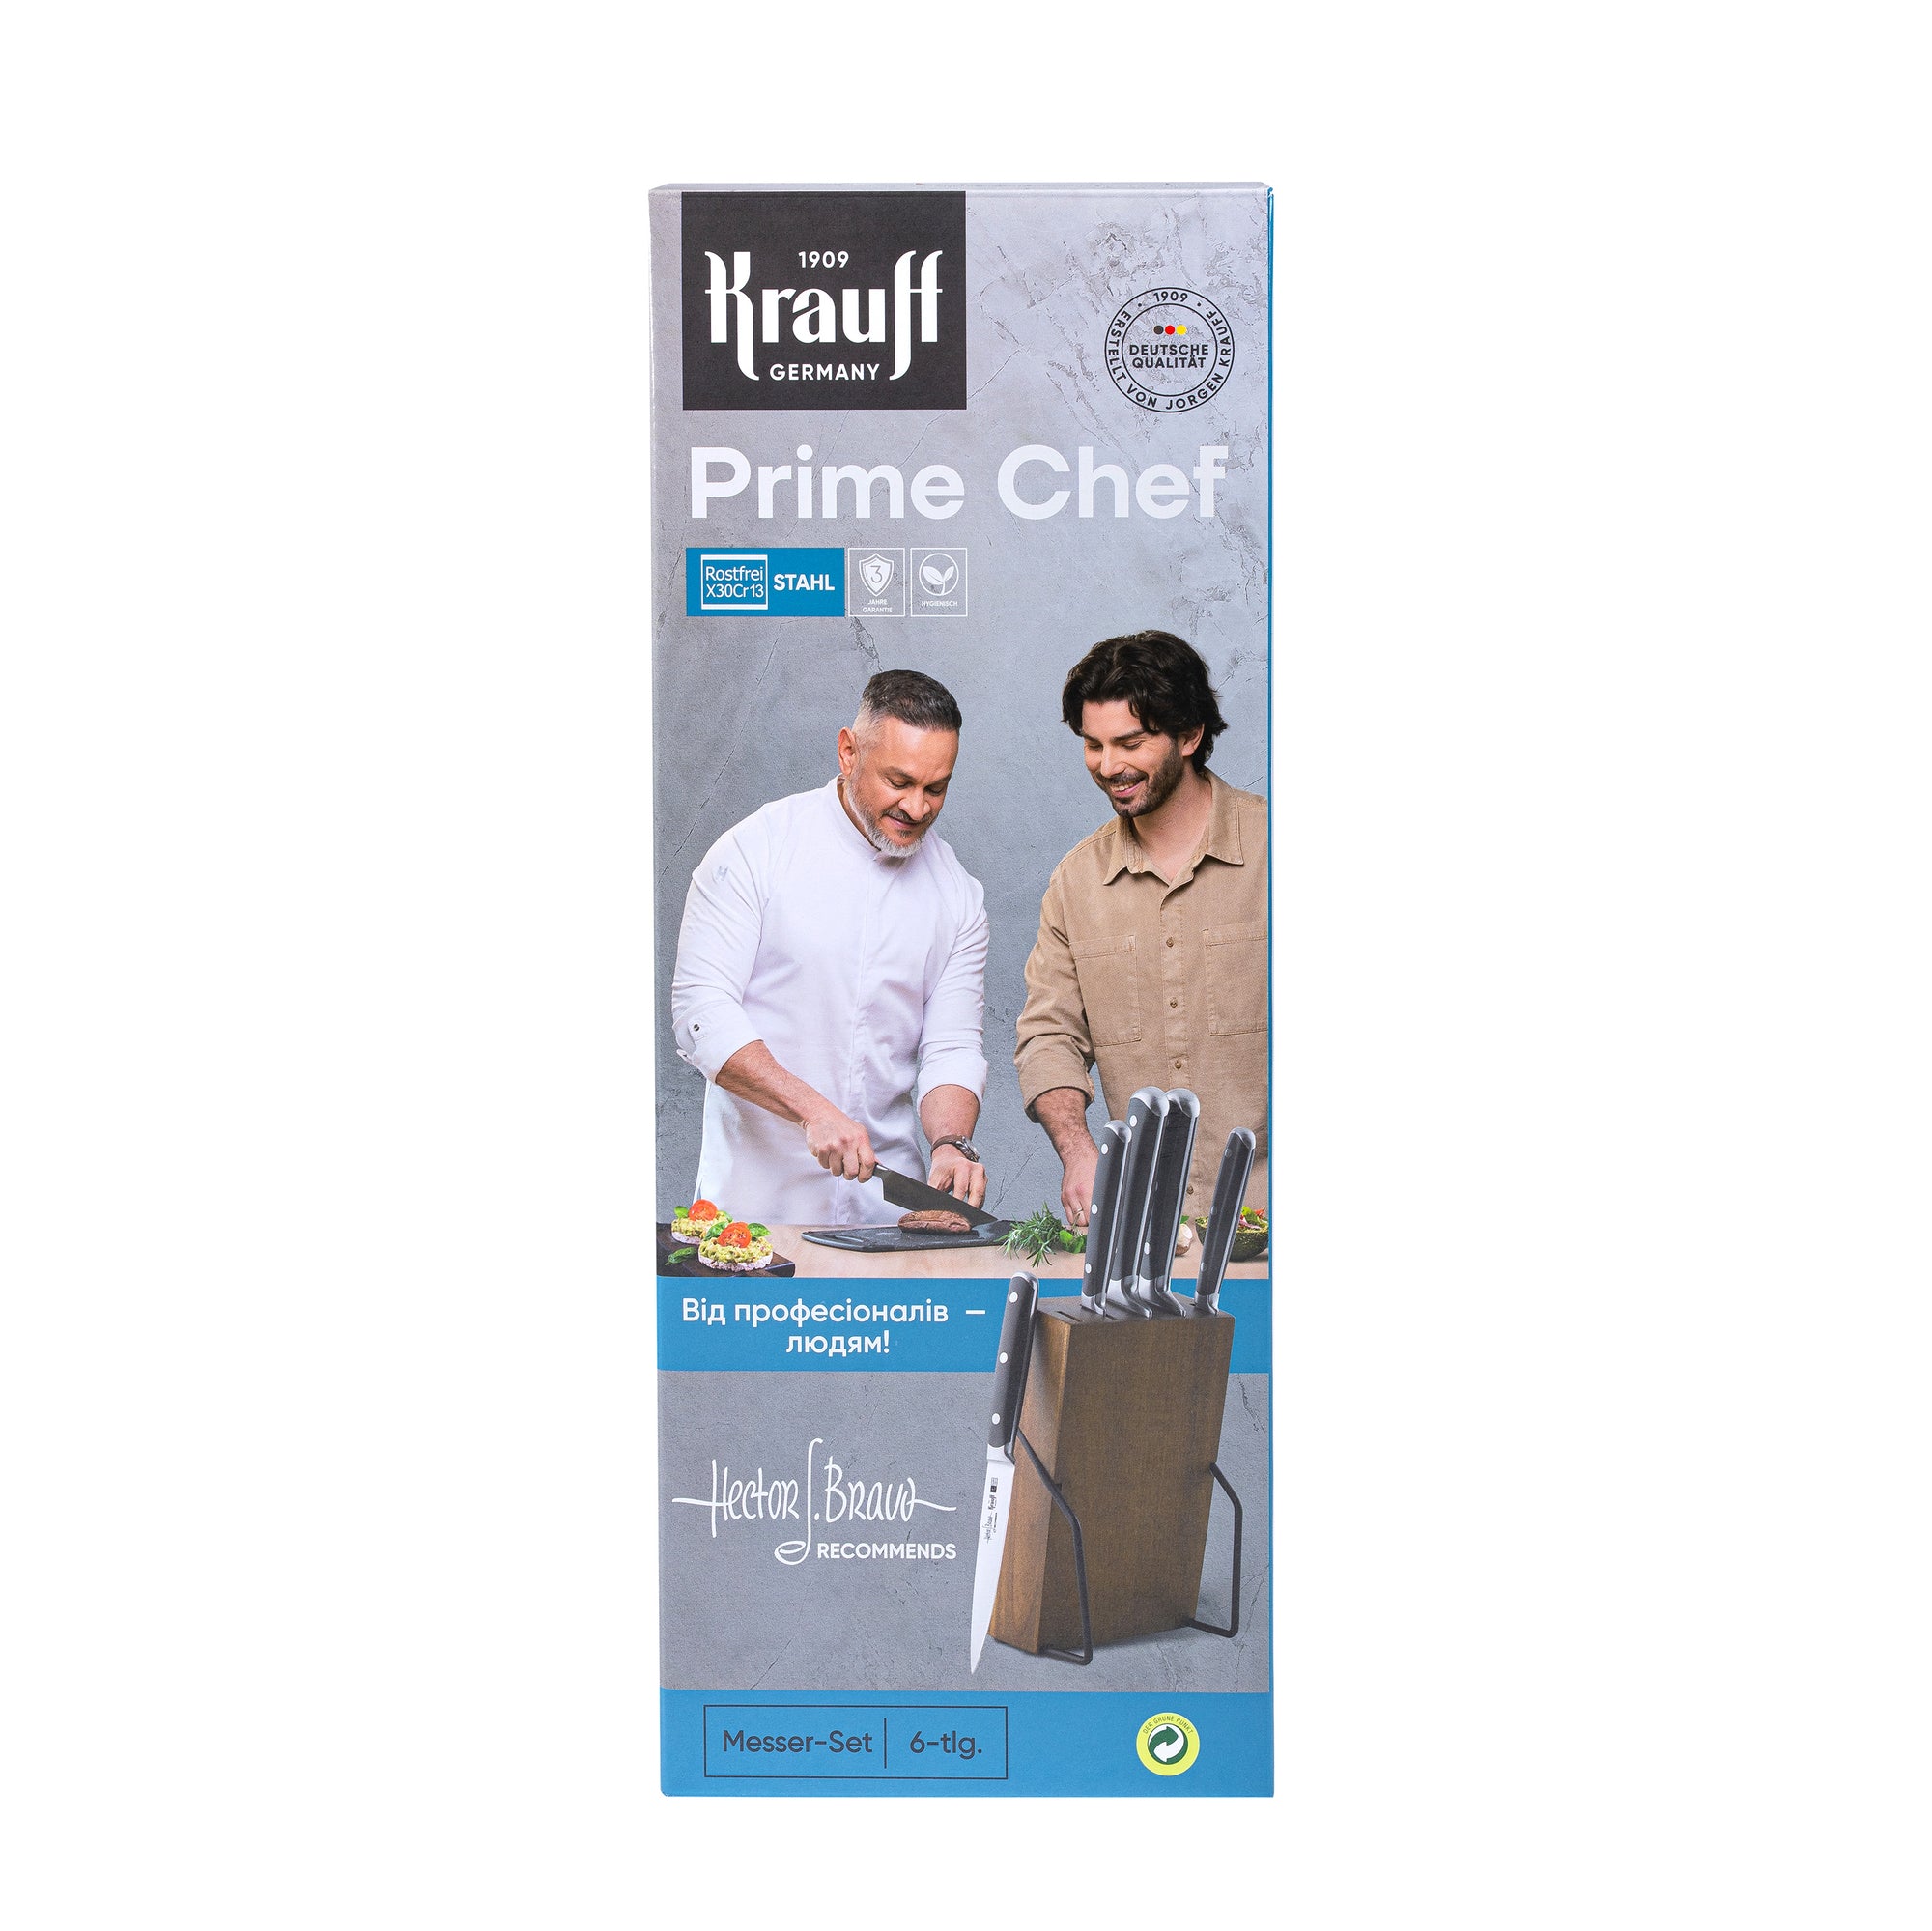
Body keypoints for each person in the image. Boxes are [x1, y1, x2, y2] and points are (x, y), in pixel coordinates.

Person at [671, 669, 989, 1227]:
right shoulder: (755, 851)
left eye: (935, 788)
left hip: (886, 1218)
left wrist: (950, 1143)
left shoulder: (958, 895)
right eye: (899, 781)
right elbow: (701, 1011)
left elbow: (953, 1045)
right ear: (848, 751)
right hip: (755, 1213)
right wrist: (811, 1110)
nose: (917, 807)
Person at [1015, 630, 1267, 1226]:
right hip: (1145, 1232)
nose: (1109, 767)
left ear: (1189, 735)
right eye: (1093, 745)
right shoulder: (1076, 882)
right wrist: (1078, 1150)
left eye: (1130, 743)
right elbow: (1049, 1034)